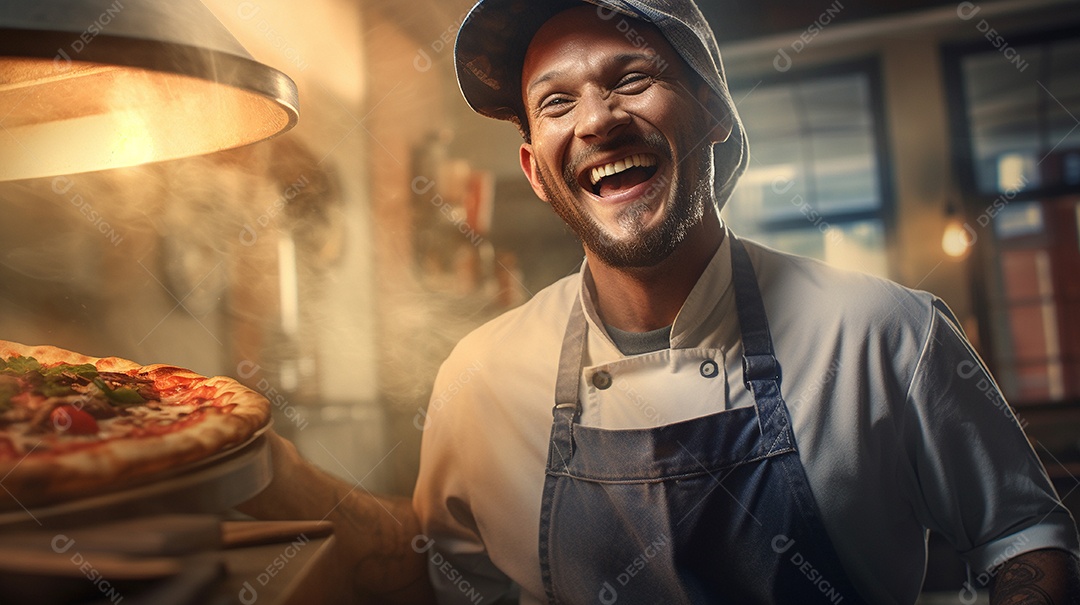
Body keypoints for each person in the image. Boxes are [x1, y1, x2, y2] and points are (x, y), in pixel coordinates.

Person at [241, 0, 1080, 603]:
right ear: (537, 171)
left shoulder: (888, 334)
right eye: (556, 102)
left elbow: (1024, 536)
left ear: (712, 112)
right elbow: (449, 577)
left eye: (631, 78)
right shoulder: (479, 377)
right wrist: (259, 469)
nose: (598, 119)